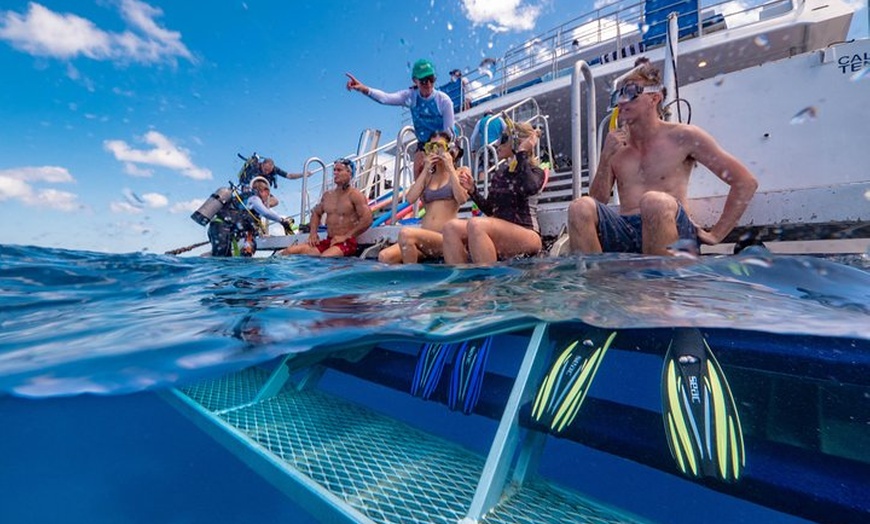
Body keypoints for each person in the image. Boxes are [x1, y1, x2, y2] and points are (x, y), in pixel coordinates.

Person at [567, 59, 758, 256]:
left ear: (654, 97)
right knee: (579, 207)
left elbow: (745, 182)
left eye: (632, 92)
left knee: (653, 202)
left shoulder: (684, 136)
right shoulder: (616, 146)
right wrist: (606, 157)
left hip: (673, 229)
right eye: (619, 94)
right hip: (625, 232)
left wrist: (716, 234)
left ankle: (661, 285)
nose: (622, 100)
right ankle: (594, 285)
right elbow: (598, 201)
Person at [442, 120, 546, 264]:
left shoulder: (536, 172)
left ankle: (488, 283)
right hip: (499, 230)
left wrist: (522, 152)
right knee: (450, 227)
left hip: (527, 233)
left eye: (503, 139)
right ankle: (460, 280)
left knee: (477, 224)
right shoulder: (500, 173)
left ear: (516, 142)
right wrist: (473, 190)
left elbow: (529, 187)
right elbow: (491, 209)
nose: (497, 144)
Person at [345, 59, 455, 180]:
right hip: (423, 144)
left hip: (443, 143)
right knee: (419, 175)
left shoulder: (444, 101)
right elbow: (385, 98)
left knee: (442, 175)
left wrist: (439, 154)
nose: (428, 84)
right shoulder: (410, 95)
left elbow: (449, 133)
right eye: (423, 81)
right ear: (415, 81)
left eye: (431, 79)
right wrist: (363, 89)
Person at [378, 131, 469, 264]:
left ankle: (414, 282)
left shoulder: (460, 172)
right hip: (424, 238)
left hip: (446, 239)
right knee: (385, 256)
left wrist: (450, 166)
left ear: (448, 148)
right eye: (430, 147)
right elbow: (410, 199)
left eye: (439, 146)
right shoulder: (427, 177)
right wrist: (426, 168)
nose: (435, 151)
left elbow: (462, 199)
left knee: (406, 234)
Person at [279, 159, 373, 257]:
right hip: (329, 241)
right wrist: (313, 233)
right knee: (290, 251)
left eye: (339, 170)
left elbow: (367, 220)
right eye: (334, 170)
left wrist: (346, 237)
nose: (335, 173)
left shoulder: (355, 195)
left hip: (347, 243)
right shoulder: (328, 195)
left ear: (349, 173)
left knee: (325, 258)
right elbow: (316, 213)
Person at [207, 176, 294, 257]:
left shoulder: (249, 202)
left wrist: (283, 220)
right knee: (222, 259)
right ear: (266, 191)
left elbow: (270, 212)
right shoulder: (253, 198)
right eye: (268, 195)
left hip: (222, 229)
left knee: (226, 258)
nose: (267, 198)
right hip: (221, 228)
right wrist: (282, 221)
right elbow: (266, 213)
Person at [238, 155, 304, 206]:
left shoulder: (274, 169)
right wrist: (247, 189)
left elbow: (289, 176)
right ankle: (253, 206)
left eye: (269, 171)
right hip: (250, 188)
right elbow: (244, 181)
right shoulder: (254, 167)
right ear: (262, 164)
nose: (266, 172)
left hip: (262, 191)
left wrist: (304, 174)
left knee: (275, 201)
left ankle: (260, 208)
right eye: (265, 169)